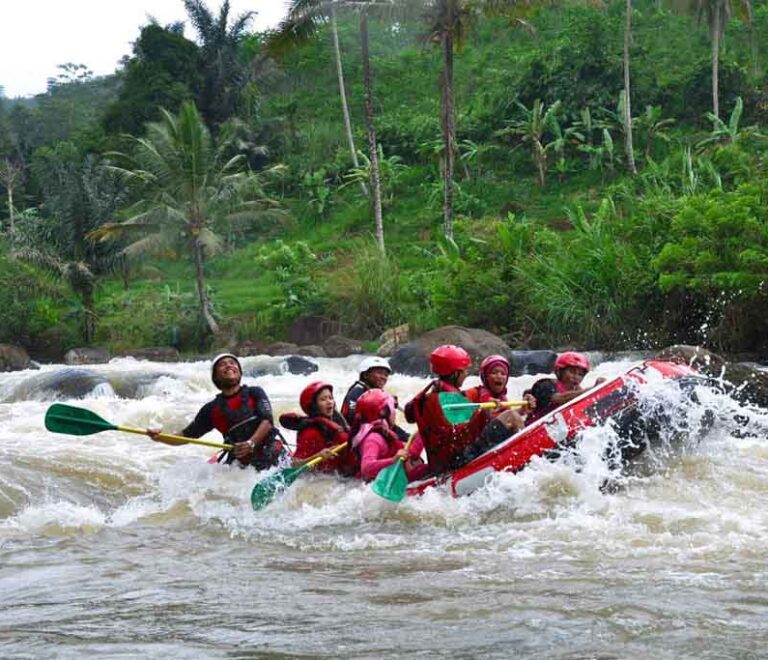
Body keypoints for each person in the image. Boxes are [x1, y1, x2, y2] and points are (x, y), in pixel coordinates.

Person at [404, 344, 528, 476]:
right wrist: (485, 414)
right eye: (463, 370)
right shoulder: (446, 399)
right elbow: (458, 435)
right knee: (511, 417)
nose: (466, 374)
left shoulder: (430, 395)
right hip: (456, 460)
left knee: (511, 416)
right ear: (454, 373)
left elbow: (410, 416)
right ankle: (527, 457)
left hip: (443, 460)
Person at [150, 353, 286, 470]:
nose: (229, 366)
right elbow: (186, 436)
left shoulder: (255, 392)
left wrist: (251, 443)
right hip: (241, 466)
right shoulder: (211, 410)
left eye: (232, 363)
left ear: (239, 371)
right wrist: (159, 437)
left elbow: (267, 421)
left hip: (271, 454)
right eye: (222, 364)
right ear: (215, 377)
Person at [280, 381, 357, 477]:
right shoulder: (310, 432)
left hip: (339, 477)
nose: (329, 402)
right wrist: (317, 456)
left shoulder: (338, 422)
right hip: (316, 480)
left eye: (330, 398)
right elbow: (294, 464)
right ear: (314, 406)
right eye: (323, 399)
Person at [349, 388, 428, 483]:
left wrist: (424, 431)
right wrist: (393, 460)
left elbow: (411, 455)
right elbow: (366, 469)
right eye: (391, 408)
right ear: (383, 412)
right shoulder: (373, 438)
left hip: (397, 477)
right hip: (382, 484)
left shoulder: (385, 431)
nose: (394, 413)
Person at [524, 351, 607, 426]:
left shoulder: (578, 390)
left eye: (580, 374)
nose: (576, 377)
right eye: (572, 372)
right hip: (534, 430)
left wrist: (600, 389)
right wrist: (592, 389)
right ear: (559, 372)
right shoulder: (545, 385)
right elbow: (559, 398)